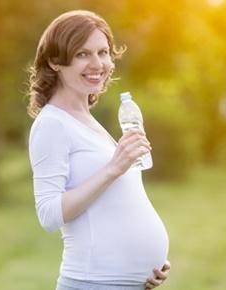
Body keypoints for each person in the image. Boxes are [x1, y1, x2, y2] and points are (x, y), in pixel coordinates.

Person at [27, 10, 171, 290]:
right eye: (83, 54)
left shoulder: (86, 119)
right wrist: (113, 168)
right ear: (56, 61)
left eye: (103, 52)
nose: (98, 64)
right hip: (93, 283)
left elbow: (116, 206)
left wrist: (150, 263)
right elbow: (49, 214)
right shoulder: (52, 124)